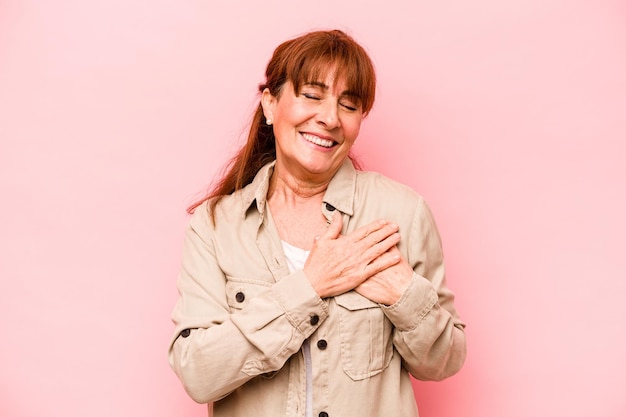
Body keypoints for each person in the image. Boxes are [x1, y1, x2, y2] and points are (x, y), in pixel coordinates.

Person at [168, 29, 466, 417]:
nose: (329, 118)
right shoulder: (215, 227)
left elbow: (445, 361)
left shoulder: (402, 213)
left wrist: (403, 294)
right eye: (312, 96)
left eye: (349, 105)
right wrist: (308, 287)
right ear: (270, 105)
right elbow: (198, 373)